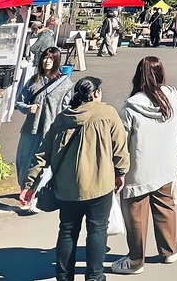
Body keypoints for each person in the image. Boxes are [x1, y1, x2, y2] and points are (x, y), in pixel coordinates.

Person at [22, 76, 128, 281]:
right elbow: (120, 151)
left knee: (67, 231)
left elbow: (43, 153)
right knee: (97, 230)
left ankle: (64, 277)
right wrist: (120, 173)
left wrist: (29, 184)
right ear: (96, 93)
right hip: (100, 185)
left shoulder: (63, 119)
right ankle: (94, 277)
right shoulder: (108, 114)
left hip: (67, 187)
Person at [110, 56, 177, 274]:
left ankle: (135, 260)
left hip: (139, 170)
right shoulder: (175, 99)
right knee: (165, 207)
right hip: (166, 164)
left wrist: (119, 170)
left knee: (135, 215)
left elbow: (121, 143)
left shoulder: (131, 108)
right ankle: (169, 250)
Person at [15, 46, 74, 209]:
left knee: (42, 164)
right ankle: (25, 189)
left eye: (51, 58)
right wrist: (28, 108)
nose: (47, 61)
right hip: (30, 129)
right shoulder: (33, 80)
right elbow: (19, 102)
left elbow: (68, 107)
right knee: (24, 162)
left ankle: (33, 194)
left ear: (57, 61)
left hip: (51, 131)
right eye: (45, 58)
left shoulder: (66, 84)